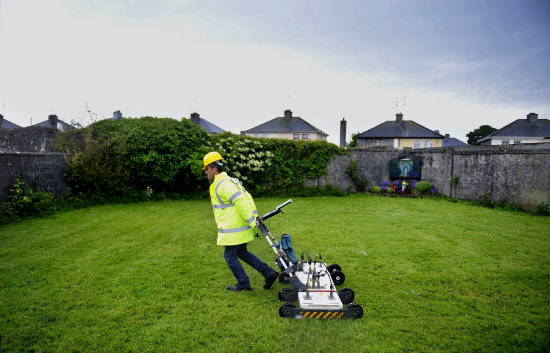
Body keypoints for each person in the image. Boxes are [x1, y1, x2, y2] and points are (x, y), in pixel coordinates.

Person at [202, 151, 278, 291]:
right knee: (242, 253)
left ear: (214, 168)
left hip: (234, 229)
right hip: (239, 227)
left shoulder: (222, 184)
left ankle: (243, 284)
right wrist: (253, 217)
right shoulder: (232, 181)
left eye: (206, 169)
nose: (205, 172)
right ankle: (269, 273)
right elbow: (248, 197)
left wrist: (251, 220)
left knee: (230, 257)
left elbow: (241, 200)